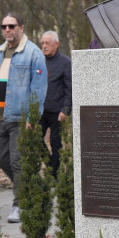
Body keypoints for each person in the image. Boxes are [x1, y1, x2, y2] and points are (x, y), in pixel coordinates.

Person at [0, 13, 47, 223]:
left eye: (11, 26)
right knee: (1, 159)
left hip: (20, 118)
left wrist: (33, 117)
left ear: (21, 27)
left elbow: (38, 89)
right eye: (4, 26)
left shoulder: (33, 53)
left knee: (17, 162)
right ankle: (30, 189)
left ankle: (20, 205)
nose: (7, 30)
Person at [38, 31, 72, 178]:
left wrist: (65, 110)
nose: (44, 46)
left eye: (48, 43)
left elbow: (70, 89)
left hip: (57, 111)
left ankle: (55, 174)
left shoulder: (65, 62)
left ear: (56, 44)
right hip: (39, 110)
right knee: (36, 138)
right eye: (42, 43)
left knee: (55, 143)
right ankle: (52, 168)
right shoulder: (38, 60)